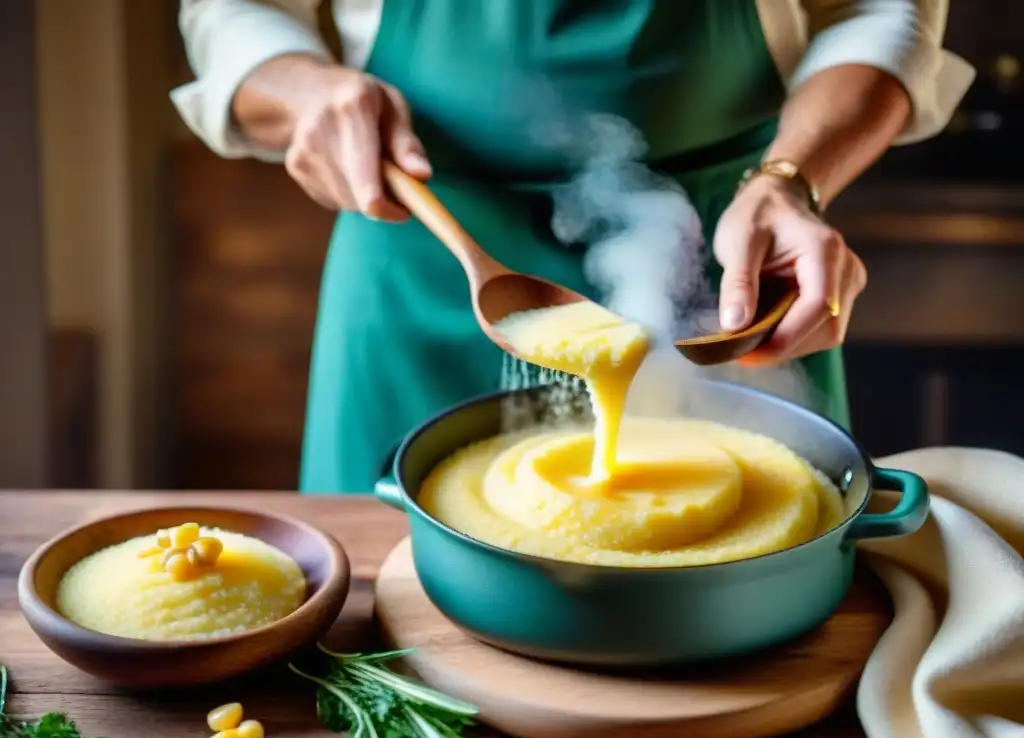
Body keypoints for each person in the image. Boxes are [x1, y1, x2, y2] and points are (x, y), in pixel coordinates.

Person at [173, 0, 974, 493]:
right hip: (418, 249)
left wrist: (792, 179)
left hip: (724, 256)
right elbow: (231, 9)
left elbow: (880, 7)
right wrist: (302, 87)